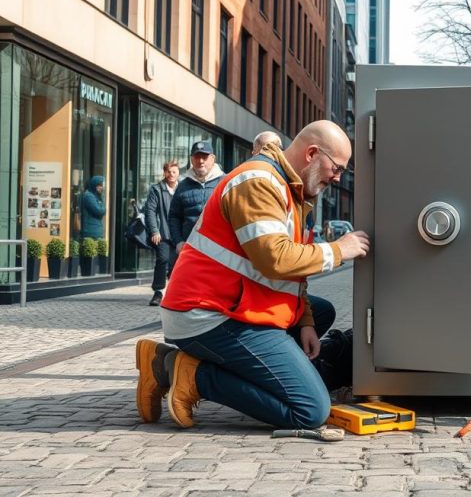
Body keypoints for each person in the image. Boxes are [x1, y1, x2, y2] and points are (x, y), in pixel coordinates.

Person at [134, 121, 371, 430]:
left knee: (322, 311)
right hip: (207, 314)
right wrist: (339, 249)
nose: (337, 177)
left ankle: (251, 370)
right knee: (311, 410)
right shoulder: (259, 182)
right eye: (337, 167)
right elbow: (275, 258)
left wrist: (306, 321)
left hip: (231, 304)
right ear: (312, 154)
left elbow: (293, 271)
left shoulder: (290, 189)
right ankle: (189, 373)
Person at [168, 141, 226, 249]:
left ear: (213, 158)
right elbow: (174, 216)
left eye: (204, 157)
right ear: (191, 160)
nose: (200, 161)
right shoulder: (183, 185)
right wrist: (178, 242)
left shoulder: (226, 182)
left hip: (219, 250)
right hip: (190, 248)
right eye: (197, 157)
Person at [144, 160, 180, 307]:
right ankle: (158, 292)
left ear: (178, 173)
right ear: (164, 173)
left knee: (176, 263)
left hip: (179, 234)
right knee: (163, 259)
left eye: (174, 172)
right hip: (163, 233)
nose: (171, 174)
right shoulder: (156, 189)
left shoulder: (182, 188)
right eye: (168, 172)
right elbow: (150, 211)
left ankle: (173, 292)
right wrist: (154, 230)